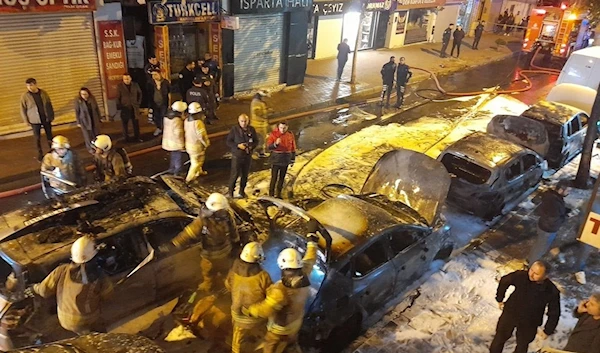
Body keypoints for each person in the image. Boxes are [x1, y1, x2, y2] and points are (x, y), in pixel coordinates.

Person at [244, 233, 319, 353]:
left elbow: (265, 310)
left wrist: (251, 310)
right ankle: (292, 348)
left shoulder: (280, 290)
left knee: (270, 344)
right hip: (296, 323)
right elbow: (310, 259)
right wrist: (312, 242)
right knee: (292, 342)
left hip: (280, 329)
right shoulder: (304, 274)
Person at [33, 235, 113, 335]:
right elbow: (108, 295)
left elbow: (44, 291)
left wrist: (34, 287)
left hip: (65, 319)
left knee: (82, 332)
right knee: (100, 336)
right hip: (89, 318)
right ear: (94, 256)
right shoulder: (100, 276)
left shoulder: (61, 270)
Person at [167, 193, 240, 292]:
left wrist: (173, 244)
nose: (220, 213)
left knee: (216, 272)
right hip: (216, 254)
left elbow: (233, 230)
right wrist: (175, 243)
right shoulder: (204, 221)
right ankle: (214, 286)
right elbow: (189, 233)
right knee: (209, 272)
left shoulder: (225, 217)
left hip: (219, 254)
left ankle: (223, 289)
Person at [490, 261, 561, 353]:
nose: (531, 274)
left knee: (523, 344)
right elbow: (504, 281)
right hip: (511, 313)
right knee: (500, 337)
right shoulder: (521, 276)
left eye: (536, 274)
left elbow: (554, 312)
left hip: (530, 321)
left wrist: (548, 330)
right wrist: (500, 298)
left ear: (546, 276)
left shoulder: (551, 291)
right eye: (531, 270)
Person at [225, 242, 273, 353]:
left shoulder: (233, 271)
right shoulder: (263, 276)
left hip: (237, 316)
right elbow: (270, 297)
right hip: (256, 318)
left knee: (237, 339)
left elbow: (228, 285)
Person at [527, 181, 569, 265]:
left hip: (544, 225)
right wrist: (565, 217)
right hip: (548, 229)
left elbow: (556, 212)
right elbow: (554, 219)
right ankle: (532, 265)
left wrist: (565, 211)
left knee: (538, 245)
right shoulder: (554, 202)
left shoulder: (553, 197)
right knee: (540, 248)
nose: (569, 193)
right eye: (568, 191)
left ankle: (530, 260)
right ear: (561, 190)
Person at [20, 78, 54, 161]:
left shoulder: (43, 93)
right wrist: (26, 120)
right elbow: (23, 108)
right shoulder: (25, 96)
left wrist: (51, 115)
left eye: (31, 85)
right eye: (28, 86)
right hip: (34, 119)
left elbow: (49, 104)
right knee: (37, 138)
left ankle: (53, 151)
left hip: (45, 118)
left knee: (49, 135)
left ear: (35, 84)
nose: (29, 87)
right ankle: (40, 153)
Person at [226, 114, 258, 198]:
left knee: (245, 175)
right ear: (238, 121)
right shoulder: (234, 130)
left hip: (247, 156)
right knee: (235, 174)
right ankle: (230, 192)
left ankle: (242, 191)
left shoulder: (251, 129)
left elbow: (256, 141)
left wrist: (251, 146)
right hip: (237, 156)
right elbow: (229, 141)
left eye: (245, 121)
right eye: (242, 121)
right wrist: (238, 146)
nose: (243, 123)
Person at [267, 122, 296, 198]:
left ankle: (279, 193)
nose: (282, 130)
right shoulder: (273, 134)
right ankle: (271, 193)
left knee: (282, 177)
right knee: (274, 177)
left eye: (284, 128)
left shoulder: (290, 135)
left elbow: (293, 147)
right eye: (281, 128)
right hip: (276, 158)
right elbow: (269, 147)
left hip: (285, 158)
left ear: (287, 127)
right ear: (278, 127)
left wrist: (292, 159)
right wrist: (275, 144)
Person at [185, 102, 210, 182]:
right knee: (196, 163)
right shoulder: (198, 123)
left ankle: (199, 172)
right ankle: (188, 179)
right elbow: (202, 136)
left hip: (189, 145)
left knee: (196, 160)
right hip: (197, 146)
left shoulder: (186, 121)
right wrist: (206, 143)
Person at [116, 73, 143, 142]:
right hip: (125, 108)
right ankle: (126, 138)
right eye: (125, 79)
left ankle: (137, 137)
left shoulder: (135, 85)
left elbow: (140, 93)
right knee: (125, 124)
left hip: (134, 107)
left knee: (136, 123)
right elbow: (118, 97)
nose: (126, 80)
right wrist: (120, 106)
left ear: (130, 78)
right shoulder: (120, 86)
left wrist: (138, 103)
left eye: (128, 79)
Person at [75, 87, 102, 154]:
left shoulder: (92, 99)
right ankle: (90, 149)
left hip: (93, 118)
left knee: (96, 134)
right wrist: (78, 122)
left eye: (85, 94)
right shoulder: (78, 101)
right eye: (82, 94)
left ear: (88, 93)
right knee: (87, 136)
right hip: (84, 120)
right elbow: (77, 111)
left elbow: (96, 108)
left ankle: (97, 147)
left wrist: (99, 117)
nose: (84, 96)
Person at [162, 101, 187, 176]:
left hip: (168, 140)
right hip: (176, 142)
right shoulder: (177, 120)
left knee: (173, 155)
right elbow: (178, 133)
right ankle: (178, 172)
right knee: (178, 156)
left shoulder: (167, 117)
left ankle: (172, 169)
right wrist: (182, 145)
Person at [147, 70, 171, 136]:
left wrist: (169, 103)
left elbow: (169, 93)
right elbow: (149, 94)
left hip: (163, 103)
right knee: (156, 117)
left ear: (160, 74)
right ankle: (159, 128)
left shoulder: (165, 82)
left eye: (155, 74)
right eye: (152, 75)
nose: (154, 76)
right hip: (154, 103)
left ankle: (165, 129)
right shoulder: (150, 83)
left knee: (164, 116)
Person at [250, 90, 270, 157]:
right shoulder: (256, 103)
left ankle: (261, 152)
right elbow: (257, 112)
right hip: (257, 125)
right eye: (265, 97)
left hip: (262, 124)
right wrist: (266, 113)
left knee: (262, 140)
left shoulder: (260, 102)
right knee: (257, 140)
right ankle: (253, 152)